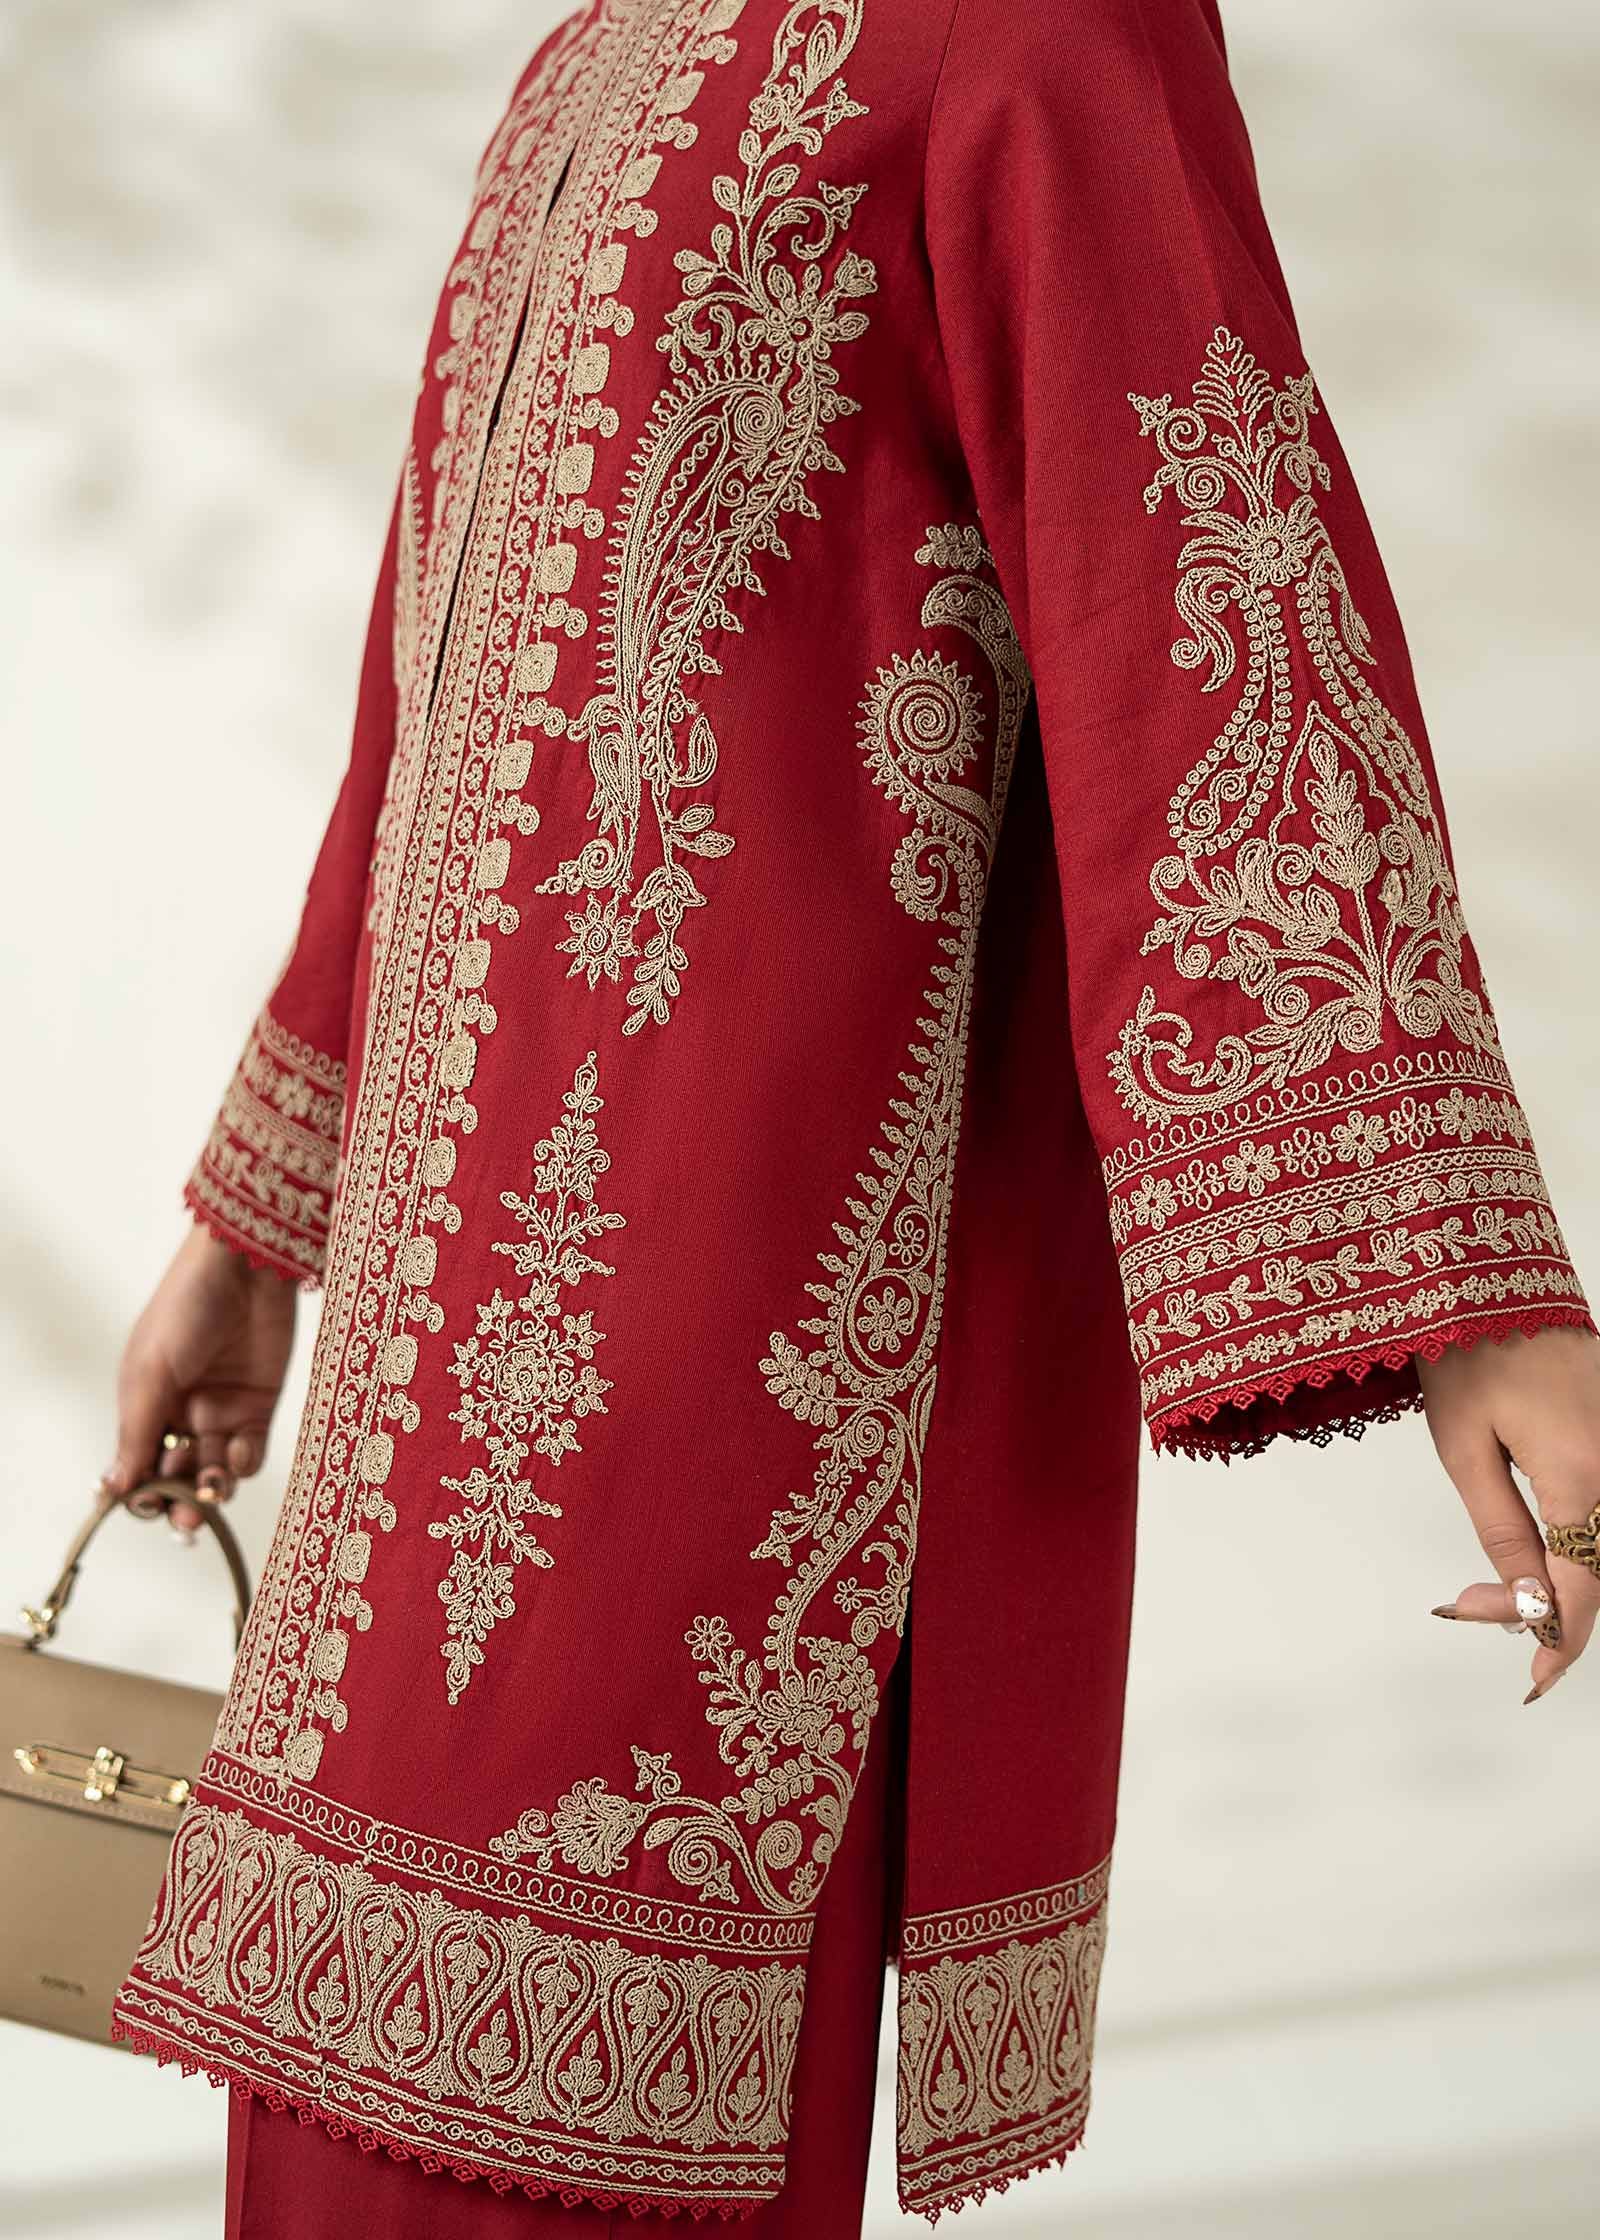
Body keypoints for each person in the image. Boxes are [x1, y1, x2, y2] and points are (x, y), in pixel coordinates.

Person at [101, 3, 1600, 2234]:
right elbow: (425, 703)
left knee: (564, 2139)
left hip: (715, 1375)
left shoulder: (1029, 41)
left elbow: (1205, 580)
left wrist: (1461, 1287)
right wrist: (254, 1232)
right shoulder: (594, 55)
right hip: (407, 1418)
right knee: (330, 2106)